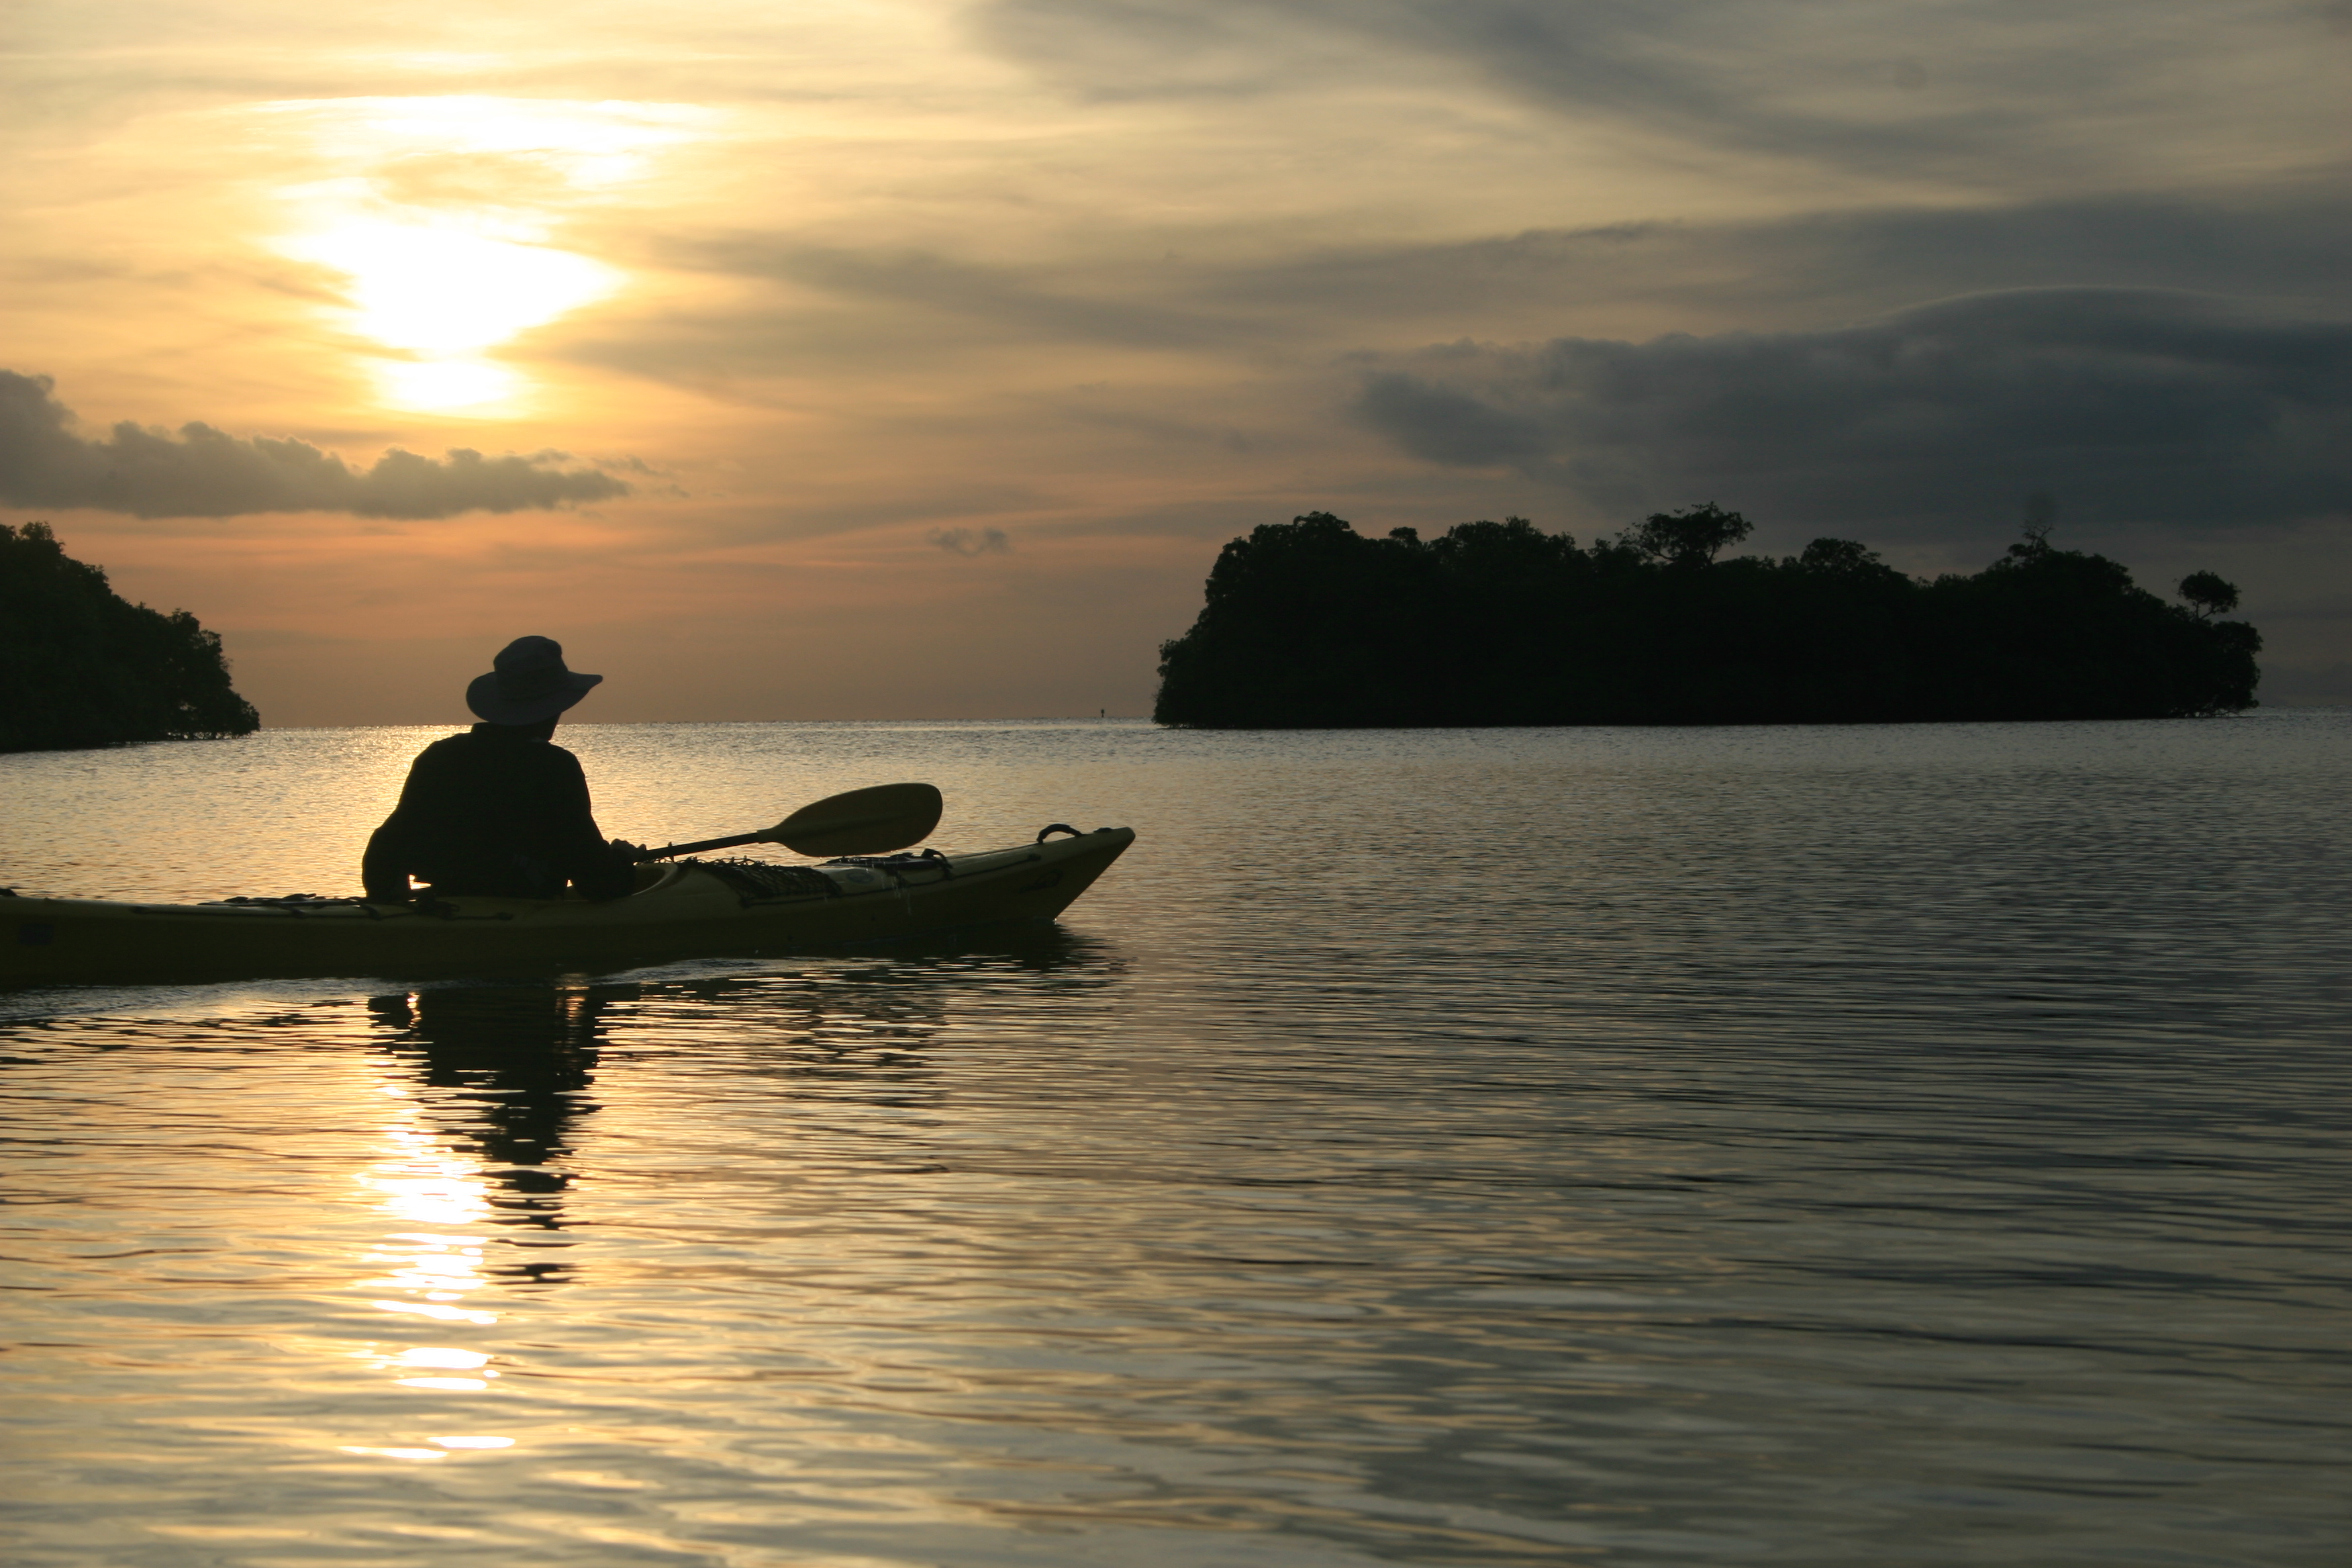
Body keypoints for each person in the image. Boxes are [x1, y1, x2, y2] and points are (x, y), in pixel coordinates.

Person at [362, 636, 641, 903]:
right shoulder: (554, 767)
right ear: (554, 707)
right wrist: (621, 860)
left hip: (446, 901)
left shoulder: (440, 756)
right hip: (521, 909)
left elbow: (385, 848)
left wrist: (390, 904)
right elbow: (597, 883)